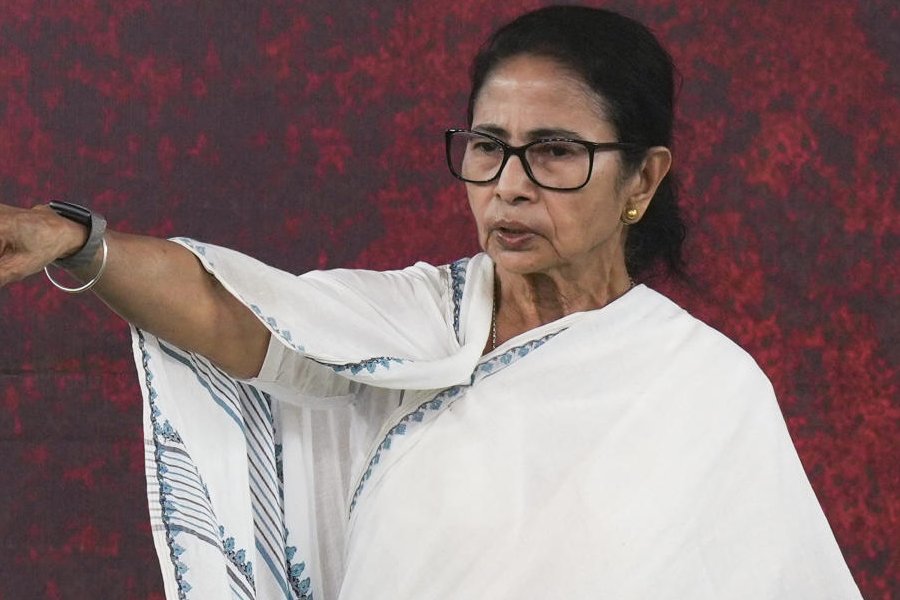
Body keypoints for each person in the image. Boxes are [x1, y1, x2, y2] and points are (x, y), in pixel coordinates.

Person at [0, 6, 862, 600]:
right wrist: (74, 240)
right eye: (488, 147)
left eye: (555, 153)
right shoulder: (415, 324)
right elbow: (235, 313)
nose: (508, 188)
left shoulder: (703, 388)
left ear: (642, 178)